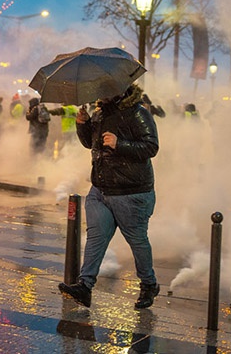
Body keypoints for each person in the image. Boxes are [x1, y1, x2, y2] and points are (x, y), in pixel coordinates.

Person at [58, 83, 160, 309]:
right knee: (96, 238)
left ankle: (148, 284)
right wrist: (82, 125)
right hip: (100, 189)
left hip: (131, 192)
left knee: (136, 240)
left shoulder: (138, 113)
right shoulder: (99, 113)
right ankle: (84, 286)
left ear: (119, 89)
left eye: (104, 90)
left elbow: (151, 146)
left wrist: (119, 143)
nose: (99, 94)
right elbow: (90, 144)